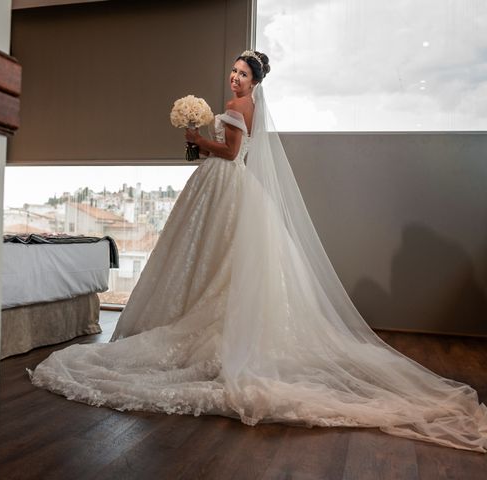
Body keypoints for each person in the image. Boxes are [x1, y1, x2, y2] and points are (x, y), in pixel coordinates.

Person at [29, 51, 487, 452]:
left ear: (255, 82)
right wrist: (201, 144)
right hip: (230, 186)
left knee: (211, 257)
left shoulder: (234, 107)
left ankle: (203, 322)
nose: (234, 78)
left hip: (223, 183)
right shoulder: (246, 107)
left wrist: (197, 140)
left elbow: (228, 154)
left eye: (243, 74)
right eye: (232, 71)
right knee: (219, 260)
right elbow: (232, 153)